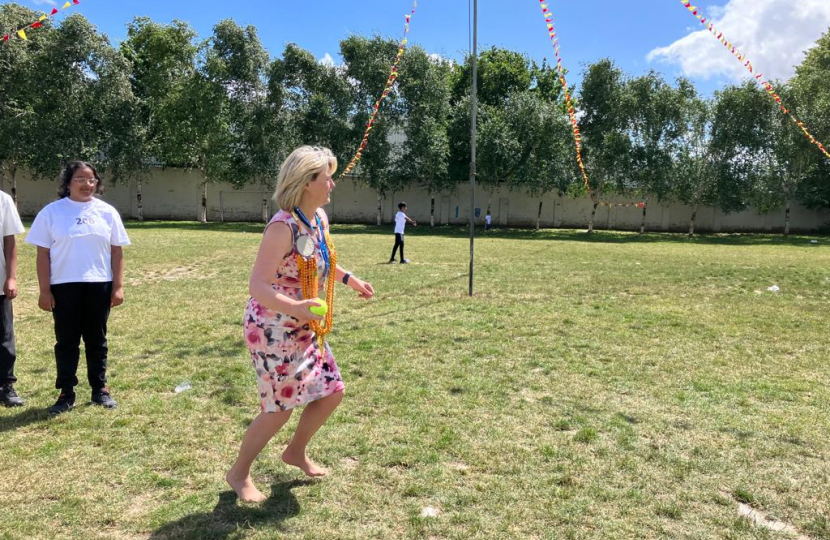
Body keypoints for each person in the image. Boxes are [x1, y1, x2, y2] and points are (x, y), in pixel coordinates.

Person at [227, 146, 374, 503]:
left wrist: (349, 279)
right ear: (307, 182)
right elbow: (257, 285)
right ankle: (239, 473)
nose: (332, 183)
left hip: (305, 321)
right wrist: (297, 307)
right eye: (327, 177)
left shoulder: (318, 218)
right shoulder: (282, 227)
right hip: (272, 327)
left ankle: (295, 452)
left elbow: (320, 259)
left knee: (332, 391)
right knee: (279, 407)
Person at [26, 161, 130, 415]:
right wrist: (44, 290)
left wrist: (117, 287)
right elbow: (42, 255)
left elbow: (116, 252)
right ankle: (66, 392)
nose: (87, 184)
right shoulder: (52, 213)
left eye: (91, 179)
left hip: (99, 284)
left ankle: (100, 389)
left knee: (97, 340)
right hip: (63, 287)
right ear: (68, 183)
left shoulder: (106, 212)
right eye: (80, 179)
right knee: (67, 341)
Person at [0, 190, 26, 407]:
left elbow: (10, 242)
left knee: (4, 337)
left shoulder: (2, 199)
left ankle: (6, 386)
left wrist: (11, 277)